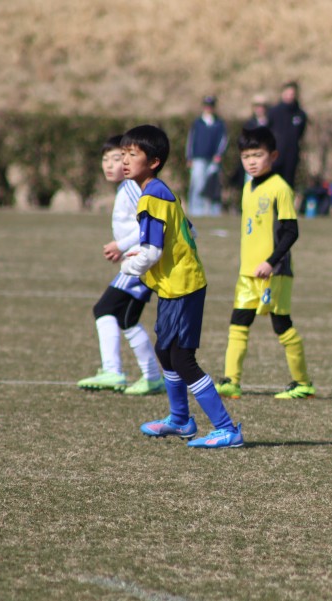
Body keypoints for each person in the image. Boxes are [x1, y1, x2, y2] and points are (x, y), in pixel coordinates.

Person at [119, 124, 243, 449]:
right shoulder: (162, 191)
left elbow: (152, 251)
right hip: (174, 285)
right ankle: (180, 420)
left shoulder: (151, 197)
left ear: (154, 161)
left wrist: (129, 265)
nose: (125, 160)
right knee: (165, 351)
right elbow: (189, 229)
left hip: (184, 285)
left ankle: (227, 428)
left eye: (133, 154)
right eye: (123, 154)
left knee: (182, 358)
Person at [214, 126, 315, 400]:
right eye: (246, 156)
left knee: (281, 325)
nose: (251, 161)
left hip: (274, 272)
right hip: (247, 272)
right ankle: (231, 381)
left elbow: (291, 232)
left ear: (273, 155)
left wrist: (271, 262)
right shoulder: (248, 187)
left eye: (257, 155)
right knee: (238, 323)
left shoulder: (280, 188)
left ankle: (303, 383)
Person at [77, 136, 164, 395]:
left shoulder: (132, 187)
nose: (111, 164)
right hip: (139, 260)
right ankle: (152, 377)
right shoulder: (126, 188)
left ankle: (113, 371)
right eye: (106, 159)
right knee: (127, 319)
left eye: (118, 158)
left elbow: (150, 222)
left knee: (104, 308)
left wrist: (121, 245)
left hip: (141, 262)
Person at [185, 95, 228, 217]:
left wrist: (218, 154)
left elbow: (223, 140)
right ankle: (196, 210)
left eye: (211, 106)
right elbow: (191, 140)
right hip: (198, 158)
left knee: (212, 185)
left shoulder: (219, 123)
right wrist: (189, 157)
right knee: (198, 184)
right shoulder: (197, 123)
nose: (209, 108)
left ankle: (212, 210)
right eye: (207, 106)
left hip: (213, 159)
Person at [267, 81, 307, 187]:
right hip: (275, 155)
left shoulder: (300, 114)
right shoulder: (273, 112)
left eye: (292, 94)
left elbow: (300, 133)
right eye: (287, 93)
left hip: (291, 156)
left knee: (288, 184)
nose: (289, 96)